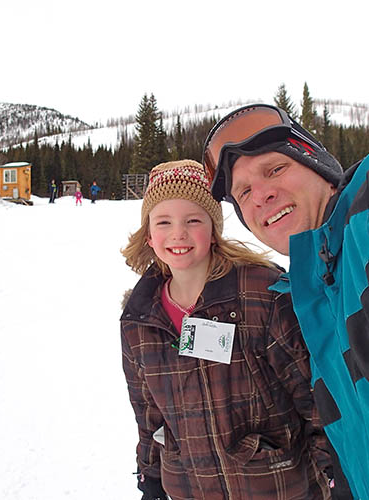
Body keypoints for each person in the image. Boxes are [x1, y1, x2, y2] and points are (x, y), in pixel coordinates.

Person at [120, 159, 333, 500]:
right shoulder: (139, 319)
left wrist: (334, 473)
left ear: (214, 228)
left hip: (278, 486)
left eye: (193, 220)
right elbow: (149, 416)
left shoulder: (264, 293)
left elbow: (315, 399)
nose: (178, 234)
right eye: (164, 221)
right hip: (190, 488)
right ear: (149, 234)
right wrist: (152, 478)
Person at [203, 103, 369, 499]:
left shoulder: (362, 223)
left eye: (275, 169)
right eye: (243, 192)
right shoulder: (301, 299)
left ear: (318, 166)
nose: (261, 195)